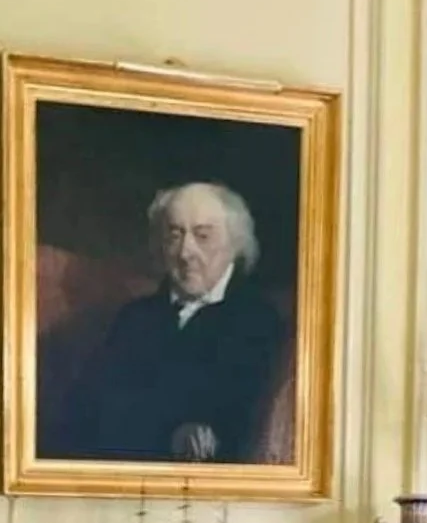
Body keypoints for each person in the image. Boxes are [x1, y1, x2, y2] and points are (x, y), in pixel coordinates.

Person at [59, 181, 288, 463]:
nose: (185, 252)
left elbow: (245, 420)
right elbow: (88, 412)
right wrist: (168, 432)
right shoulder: (135, 318)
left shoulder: (257, 321)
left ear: (235, 244)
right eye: (174, 235)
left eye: (202, 236)